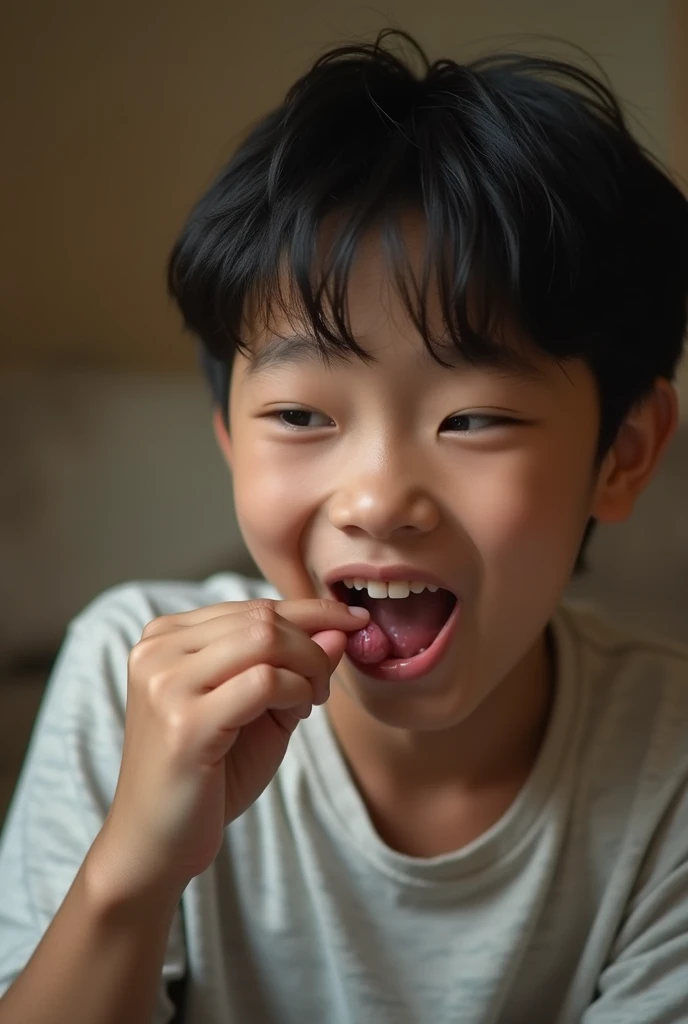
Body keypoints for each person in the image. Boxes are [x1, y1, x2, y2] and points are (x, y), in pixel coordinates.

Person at [1, 28, 687, 1024]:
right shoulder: (129, 673)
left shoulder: (669, 760)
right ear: (231, 438)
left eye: (473, 418)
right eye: (300, 416)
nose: (375, 499)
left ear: (621, 454)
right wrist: (133, 872)